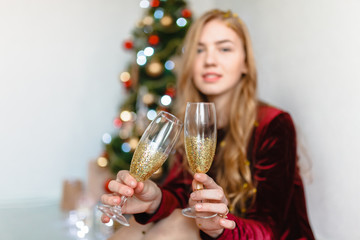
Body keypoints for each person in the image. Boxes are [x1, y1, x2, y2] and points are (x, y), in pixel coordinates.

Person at [101, 9, 315, 240]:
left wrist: (219, 226)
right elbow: (181, 194)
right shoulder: (192, 121)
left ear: (245, 63)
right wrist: (155, 200)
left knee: (179, 224)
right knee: (132, 231)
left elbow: (271, 230)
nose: (209, 60)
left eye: (224, 48)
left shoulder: (274, 124)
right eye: (199, 50)